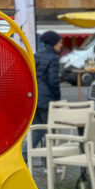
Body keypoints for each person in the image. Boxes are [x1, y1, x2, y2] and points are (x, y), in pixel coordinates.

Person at [28, 31, 63, 160]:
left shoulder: (36, 56)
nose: (61, 45)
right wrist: (57, 99)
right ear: (53, 43)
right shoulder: (53, 58)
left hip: (34, 98)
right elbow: (53, 82)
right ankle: (50, 163)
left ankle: (24, 156)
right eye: (59, 43)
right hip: (46, 100)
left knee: (37, 130)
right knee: (50, 130)